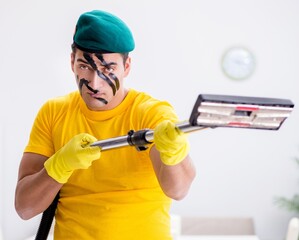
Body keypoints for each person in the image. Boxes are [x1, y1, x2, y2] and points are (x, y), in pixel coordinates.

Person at [14, 10, 196, 239]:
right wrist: (59, 166)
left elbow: (178, 191)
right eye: (85, 66)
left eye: (108, 69)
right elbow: (24, 207)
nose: (94, 82)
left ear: (126, 66)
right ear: (72, 61)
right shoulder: (53, 112)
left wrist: (174, 153)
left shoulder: (153, 113)